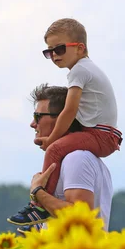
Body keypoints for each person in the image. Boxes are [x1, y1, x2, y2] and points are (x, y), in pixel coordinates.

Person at [7, 17, 122, 226]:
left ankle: (36, 209)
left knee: (55, 150)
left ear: (79, 48)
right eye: (48, 52)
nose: (53, 56)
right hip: (103, 134)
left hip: (100, 134)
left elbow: (69, 110)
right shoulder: (85, 70)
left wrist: (38, 193)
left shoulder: (77, 158)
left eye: (58, 49)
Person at [16, 84, 114, 233]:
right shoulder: (81, 158)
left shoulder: (77, 158)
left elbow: (80, 216)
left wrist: (37, 191)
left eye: (38, 116)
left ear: (63, 119)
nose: (33, 124)